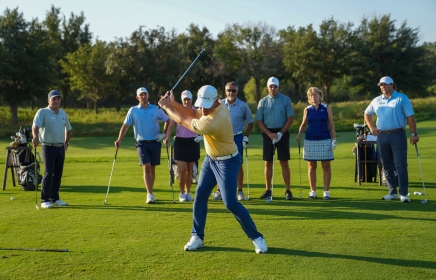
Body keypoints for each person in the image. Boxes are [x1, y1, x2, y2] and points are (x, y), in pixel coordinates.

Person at [158, 85, 267, 254]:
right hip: (211, 160)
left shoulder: (214, 121)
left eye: (205, 106)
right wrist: (174, 103)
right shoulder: (216, 106)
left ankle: (257, 238)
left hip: (228, 162)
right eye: (200, 104)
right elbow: (193, 113)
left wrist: (166, 106)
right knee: (200, 196)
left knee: (230, 203)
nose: (202, 109)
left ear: (216, 102)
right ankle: (197, 236)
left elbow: (182, 120)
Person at [364, 76, 419, 203]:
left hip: (397, 134)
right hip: (382, 135)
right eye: (381, 85)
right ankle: (392, 192)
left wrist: (413, 134)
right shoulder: (376, 100)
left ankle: (403, 193)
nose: (382, 87)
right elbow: (367, 113)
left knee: (400, 164)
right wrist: (372, 127)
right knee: (386, 164)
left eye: (385, 84)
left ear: (392, 85)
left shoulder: (402, 98)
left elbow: (410, 117)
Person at [115, 87, 170, 204]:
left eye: (145, 94)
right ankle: (149, 194)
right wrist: (119, 139)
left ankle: (151, 191)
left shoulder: (156, 109)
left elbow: (168, 120)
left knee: (153, 168)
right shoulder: (133, 110)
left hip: (155, 141)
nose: (143, 96)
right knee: (147, 167)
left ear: (148, 95)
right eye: (141, 95)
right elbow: (125, 126)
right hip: (141, 143)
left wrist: (164, 134)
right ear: (137, 97)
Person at [213, 81, 253, 201]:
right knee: (219, 163)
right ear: (225, 91)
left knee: (238, 164)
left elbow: (250, 122)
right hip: (221, 137)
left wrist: (246, 136)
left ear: (237, 91)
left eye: (233, 90)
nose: (231, 92)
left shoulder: (243, 105)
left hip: (237, 136)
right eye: (229, 90)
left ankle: (239, 191)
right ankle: (219, 191)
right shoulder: (219, 104)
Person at [32, 90, 72, 209]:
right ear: (48, 100)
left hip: (60, 147)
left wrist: (66, 142)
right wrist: (35, 137)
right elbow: (35, 126)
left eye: (58, 99)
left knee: (58, 174)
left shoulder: (63, 114)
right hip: (48, 147)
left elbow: (68, 129)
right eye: (53, 99)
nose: (56, 101)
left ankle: (55, 198)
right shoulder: (42, 112)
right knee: (49, 173)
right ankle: (45, 199)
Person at [256, 77, 295, 200]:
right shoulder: (262, 102)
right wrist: (269, 134)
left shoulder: (285, 100)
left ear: (278, 87)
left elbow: (290, 119)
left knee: (284, 162)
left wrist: (280, 133)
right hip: (268, 134)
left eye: (275, 86)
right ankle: (268, 190)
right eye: (271, 86)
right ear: (267, 87)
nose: (273, 88)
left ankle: (288, 190)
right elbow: (259, 121)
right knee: (268, 163)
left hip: (282, 133)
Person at [296, 87, 337, 200]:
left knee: (326, 166)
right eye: (311, 95)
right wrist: (299, 134)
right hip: (310, 139)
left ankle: (326, 191)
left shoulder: (326, 107)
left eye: (315, 94)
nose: (313, 97)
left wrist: (334, 139)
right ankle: (313, 191)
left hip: (324, 138)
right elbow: (304, 124)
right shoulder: (307, 109)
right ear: (309, 98)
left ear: (320, 96)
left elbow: (331, 124)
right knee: (311, 166)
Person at [164, 90, 201, 202]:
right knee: (182, 169)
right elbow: (170, 126)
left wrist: (201, 135)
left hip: (193, 141)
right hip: (180, 142)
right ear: (182, 100)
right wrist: (167, 137)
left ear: (191, 99)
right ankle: (181, 193)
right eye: (185, 99)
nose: (187, 101)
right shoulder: (176, 112)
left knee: (190, 170)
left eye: (188, 99)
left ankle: (188, 193)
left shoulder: (196, 112)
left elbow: (205, 124)